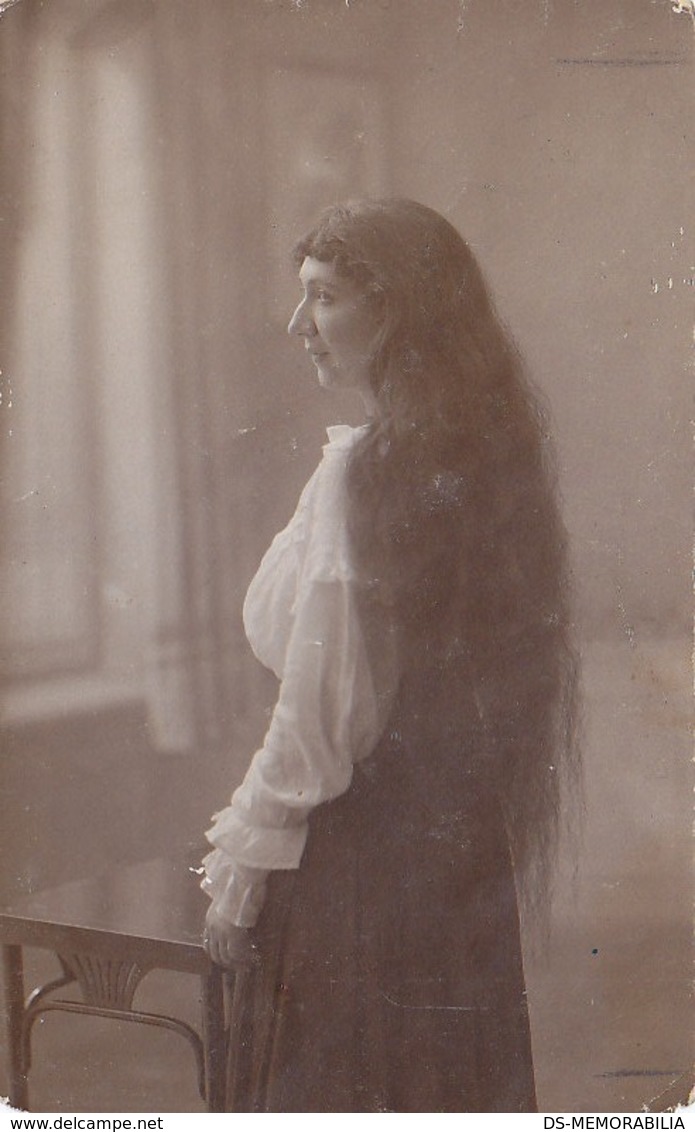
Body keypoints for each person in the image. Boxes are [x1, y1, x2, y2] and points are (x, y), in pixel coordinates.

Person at [201, 198, 579, 1112]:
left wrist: (240, 871)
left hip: (364, 862)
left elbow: (323, 721)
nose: (301, 327)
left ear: (398, 310)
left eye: (324, 298)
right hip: (454, 848)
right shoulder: (480, 449)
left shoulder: (364, 475)